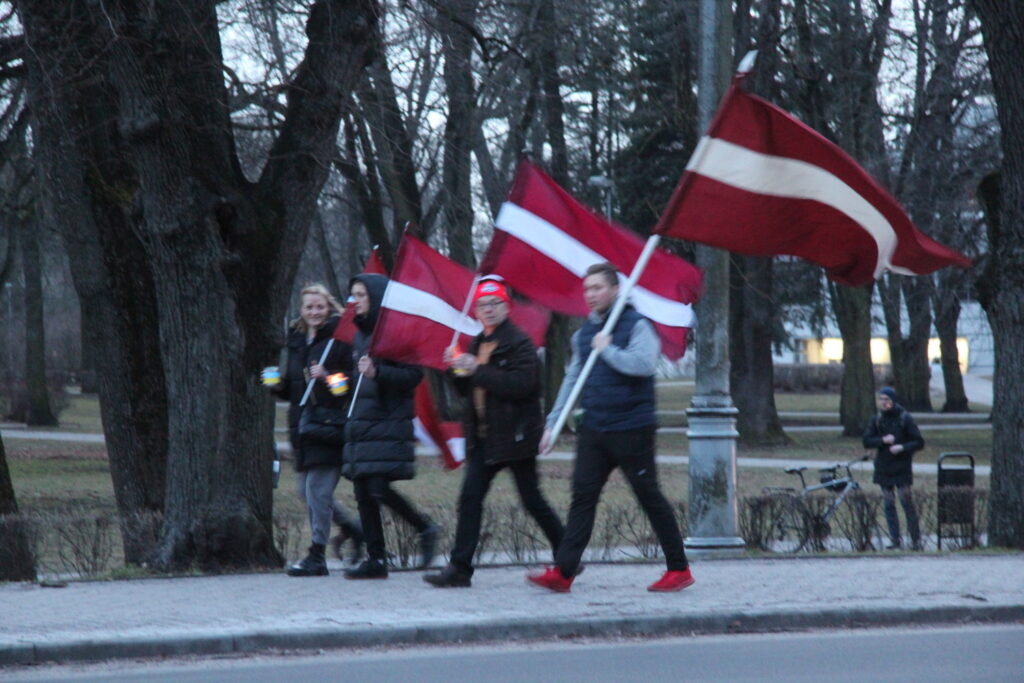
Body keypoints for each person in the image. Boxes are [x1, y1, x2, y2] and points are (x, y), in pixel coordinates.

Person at [526, 262, 694, 593]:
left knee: (649, 496)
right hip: (594, 428)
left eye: (597, 288)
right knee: (582, 497)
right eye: (587, 289)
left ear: (616, 290)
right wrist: (553, 423)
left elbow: (643, 364)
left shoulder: (637, 325)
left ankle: (679, 569)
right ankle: (564, 571)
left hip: (632, 428)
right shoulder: (583, 334)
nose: (590, 295)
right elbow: (573, 378)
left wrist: (608, 350)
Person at [424, 278, 564, 588]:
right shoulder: (477, 342)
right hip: (484, 438)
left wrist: (477, 368)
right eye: (482, 305)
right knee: (470, 498)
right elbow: (466, 389)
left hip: (515, 437)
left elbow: (523, 385)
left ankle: (567, 555)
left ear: (506, 307)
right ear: (475, 311)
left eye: (494, 303)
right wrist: (454, 369)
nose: (488, 309)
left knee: (531, 500)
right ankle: (459, 569)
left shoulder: (519, 342)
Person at [342, 273, 438, 579]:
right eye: (353, 295)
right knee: (362, 491)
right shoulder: (359, 335)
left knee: (377, 487)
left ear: (376, 298)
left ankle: (424, 527)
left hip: (387, 421)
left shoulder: (398, 334)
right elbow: (358, 379)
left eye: (361, 295)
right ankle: (376, 560)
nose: (355, 301)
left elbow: (413, 376)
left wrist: (378, 373)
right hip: (361, 422)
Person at [269, 284, 364, 577]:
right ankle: (353, 529)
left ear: (329, 307)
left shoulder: (339, 339)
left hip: (327, 427)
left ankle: (317, 555)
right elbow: (292, 391)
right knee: (305, 491)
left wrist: (328, 377)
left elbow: (350, 385)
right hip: (302, 429)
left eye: (319, 306)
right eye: (309, 307)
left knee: (317, 492)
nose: (314, 312)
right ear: (302, 310)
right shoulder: (297, 341)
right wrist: (273, 383)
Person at [863, 386, 924, 550]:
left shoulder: (905, 418)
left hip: (902, 465)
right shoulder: (877, 419)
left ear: (893, 401)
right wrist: (883, 440)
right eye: (881, 399)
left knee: (906, 501)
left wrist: (902, 447)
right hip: (883, 466)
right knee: (888, 503)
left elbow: (919, 442)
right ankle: (895, 539)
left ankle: (916, 539)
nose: (884, 403)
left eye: (887, 400)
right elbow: (866, 440)